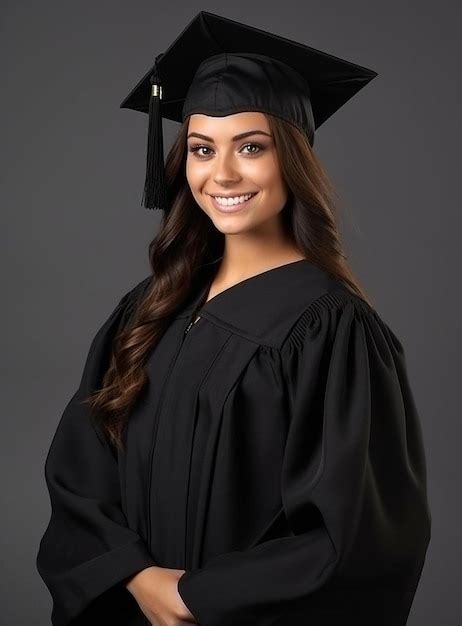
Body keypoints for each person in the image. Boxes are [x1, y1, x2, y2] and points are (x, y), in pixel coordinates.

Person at [36, 10, 432, 626]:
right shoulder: (150, 307)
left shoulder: (332, 330)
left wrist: (194, 597)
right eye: (201, 148)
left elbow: (360, 536)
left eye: (251, 147)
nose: (221, 174)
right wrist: (135, 577)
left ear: (293, 159)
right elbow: (80, 474)